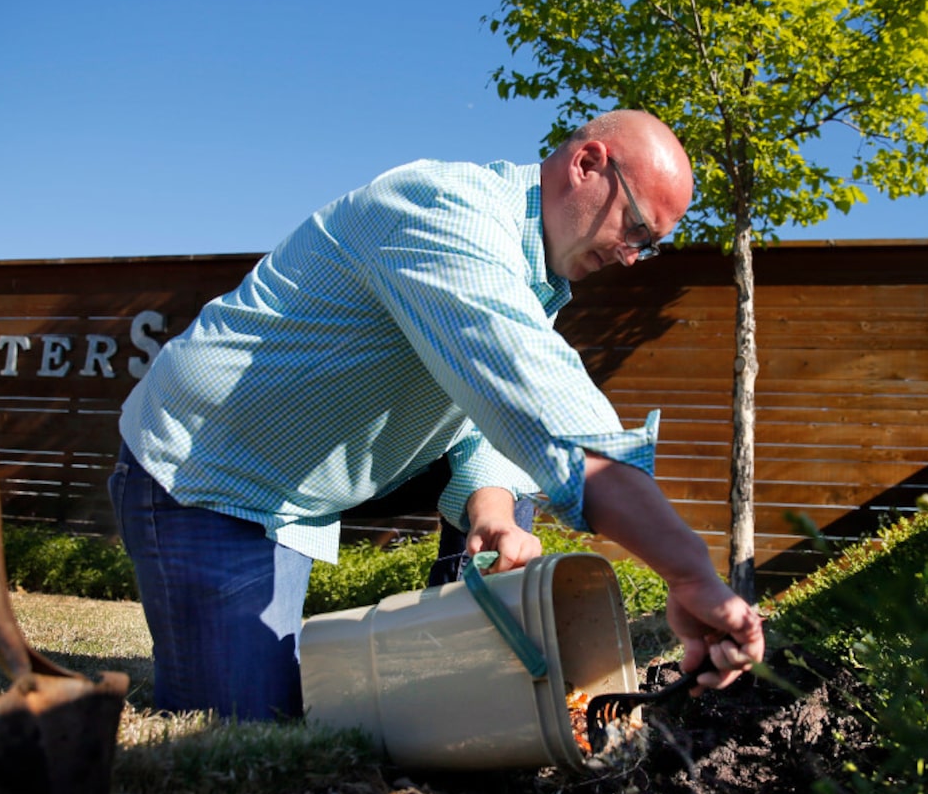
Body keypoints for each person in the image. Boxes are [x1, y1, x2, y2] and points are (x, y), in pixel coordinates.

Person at [109, 109, 765, 721]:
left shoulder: (534, 278)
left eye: (646, 247)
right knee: (246, 730)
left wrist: (493, 515)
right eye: (636, 230)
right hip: (212, 471)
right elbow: (547, 410)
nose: (630, 257)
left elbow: (483, 417)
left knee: (516, 489)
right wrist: (688, 571)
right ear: (588, 164)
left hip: (309, 476)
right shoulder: (445, 211)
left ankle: (468, 682)